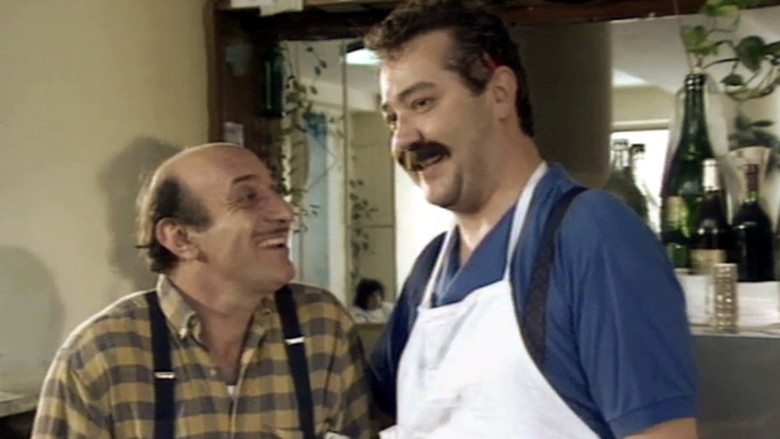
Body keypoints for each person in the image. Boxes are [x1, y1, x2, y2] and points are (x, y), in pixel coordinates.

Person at [364, 1, 698, 438]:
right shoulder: (431, 271)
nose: (404, 138)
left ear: (500, 93)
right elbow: (366, 412)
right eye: (392, 118)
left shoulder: (592, 235)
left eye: (422, 103)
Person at [31, 143, 372, 439]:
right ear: (180, 238)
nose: (285, 212)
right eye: (248, 197)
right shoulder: (100, 356)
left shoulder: (321, 326)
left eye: (274, 192)